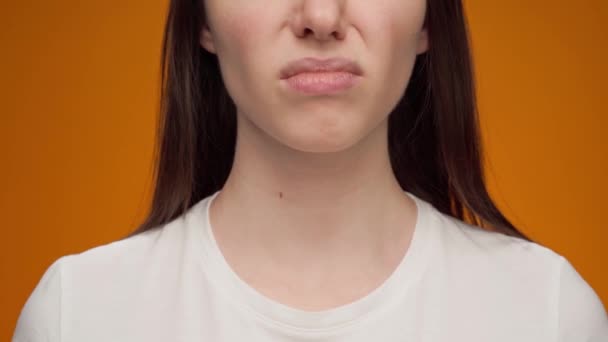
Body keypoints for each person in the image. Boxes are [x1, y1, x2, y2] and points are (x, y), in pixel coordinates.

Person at [12, 0, 608, 341]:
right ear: (201, 20)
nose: (321, 17)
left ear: (428, 20)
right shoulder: (79, 316)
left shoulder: (548, 315)